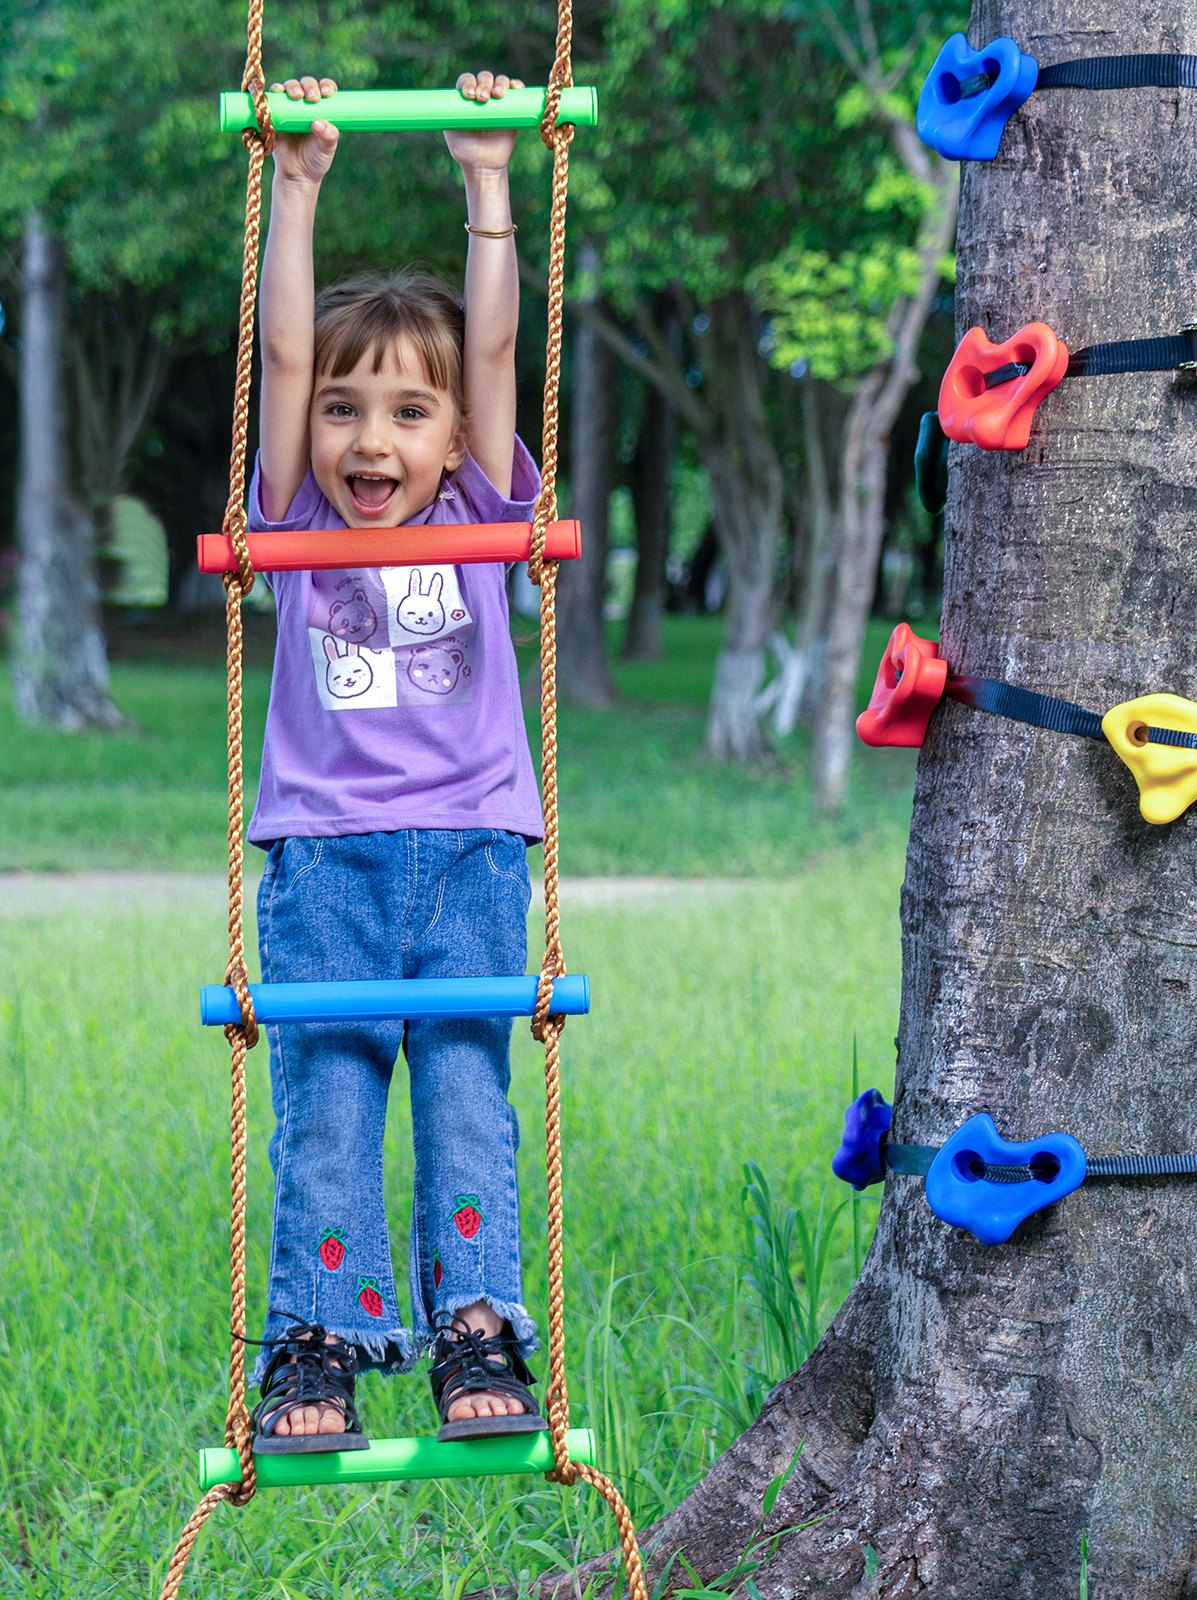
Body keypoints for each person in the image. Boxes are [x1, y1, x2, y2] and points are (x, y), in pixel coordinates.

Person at [246, 69, 545, 1453]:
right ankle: (316, 1345)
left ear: (449, 444)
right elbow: (286, 358)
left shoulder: (483, 505)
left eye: (407, 415)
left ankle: (473, 1330)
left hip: (474, 844)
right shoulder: (297, 516)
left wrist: (489, 185)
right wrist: (296, 187)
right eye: (351, 412)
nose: (373, 438)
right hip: (323, 859)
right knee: (329, 1099)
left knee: (469, 1094)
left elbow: (490, 362)